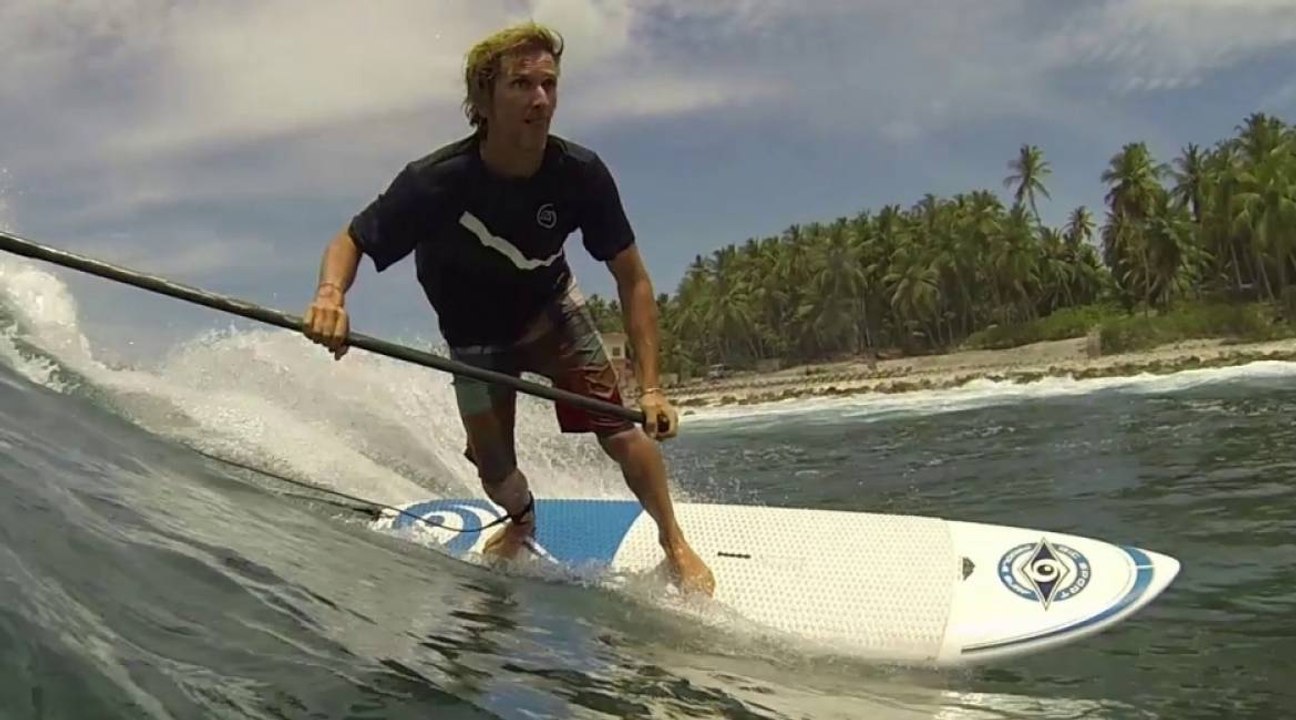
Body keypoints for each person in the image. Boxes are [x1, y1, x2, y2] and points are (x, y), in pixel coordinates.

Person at [301, 22, 715, 596]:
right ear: (483, 100)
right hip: (473, 341)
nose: (540, 99)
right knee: (495, 473)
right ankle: (521, 519)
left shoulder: (580, 175)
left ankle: (674, 542)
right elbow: (351, 240)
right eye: (521, 84)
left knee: (621, 429)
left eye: (549, 83)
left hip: (552, 314)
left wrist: (650, 389)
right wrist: (330, 297)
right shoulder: (435, 182)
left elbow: (634, 280)